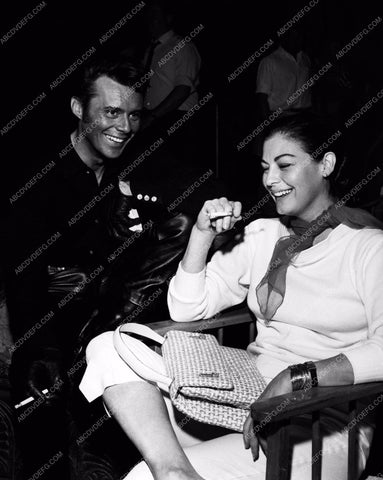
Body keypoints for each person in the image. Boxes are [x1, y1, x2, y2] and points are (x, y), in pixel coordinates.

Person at [79, 111, 383, 480]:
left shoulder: (369, 248)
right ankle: (173, 468)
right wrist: (201, 234)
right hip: (243, 402)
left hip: (324, 426)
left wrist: (299, 376)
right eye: (265, 167)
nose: (271, 180)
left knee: (141, 478)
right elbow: (186, 308)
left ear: (326, 164)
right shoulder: (262, 234)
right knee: (106, 346)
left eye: (284, 165)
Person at [4, 52, 223, 479]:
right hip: (45, 327)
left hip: (109, 330)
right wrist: (40, 347)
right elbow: (24, 276)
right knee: (42, 437)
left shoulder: (136, 166)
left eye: (133, 115)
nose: (123, 127)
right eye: (110, 111)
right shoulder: (37, 177)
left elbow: (206, 190)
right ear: (78, 109)